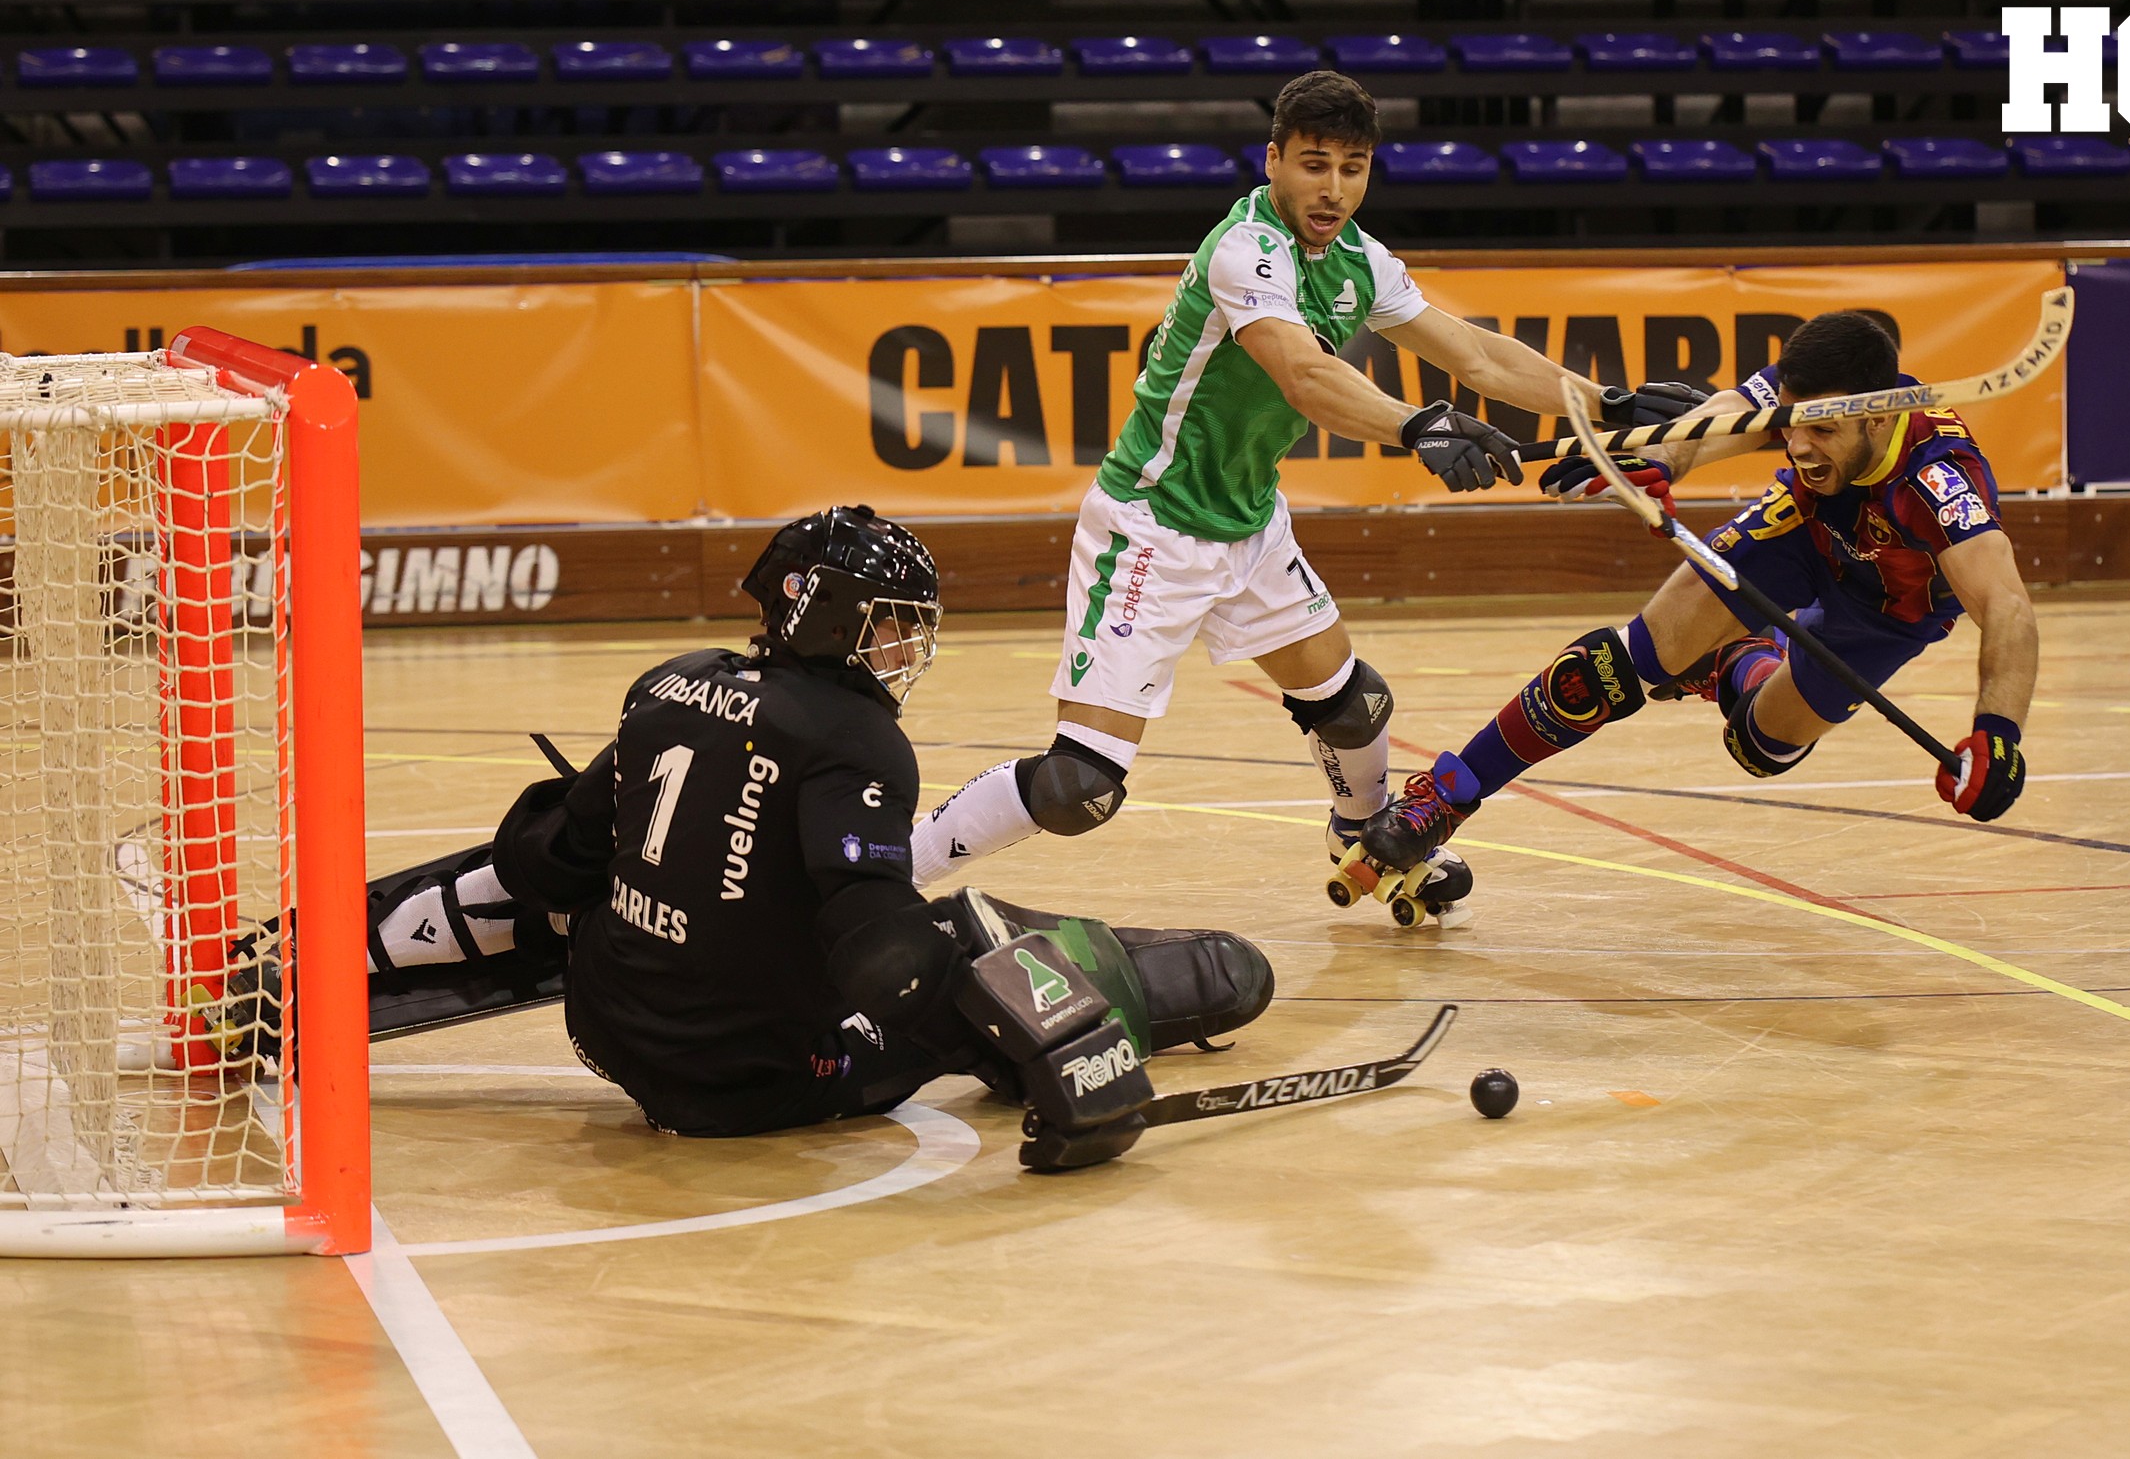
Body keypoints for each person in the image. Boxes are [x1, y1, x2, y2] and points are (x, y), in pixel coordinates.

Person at [908, 69, 1708, 924]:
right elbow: (1305, 376)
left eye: (1353, 168)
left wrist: (1604, 406)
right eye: (1314, 165)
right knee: (1080, 786)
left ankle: (1369, 843)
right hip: (1153, 531)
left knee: (1354, 704)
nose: (1333, 190)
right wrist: (1419, 427)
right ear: (1274, 161)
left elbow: (1475, 356)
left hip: (1250, 523)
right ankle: (882, 872)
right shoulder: (1244, 249)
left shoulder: (1360, 260)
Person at [296, 507, 1274, 1173]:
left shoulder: (670, 681)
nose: (904, 650)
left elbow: (543, 858)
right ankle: (1112, 1013)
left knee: (615, 885)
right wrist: (1027, 1061)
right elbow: (880, 953)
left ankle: (329, 963)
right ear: (840, 618)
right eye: (894, 627)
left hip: (602, 1023)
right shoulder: (857, 741)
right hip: (745, 1082)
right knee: (966, 938)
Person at [1358, 310, 2040, 880]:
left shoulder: (1940, 479)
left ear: (1879, 421)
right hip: (1800, 530)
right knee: (1618, 667)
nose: (1798, 445)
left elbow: (2007, 607)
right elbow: (1722, 419)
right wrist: (1660, 457)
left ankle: (1735, 661)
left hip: (1890, 611)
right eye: (1793, 423)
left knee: (1759, 748)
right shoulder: (1811, 403)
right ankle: (1446, 797)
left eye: (1823, 432)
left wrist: (1998, 735)